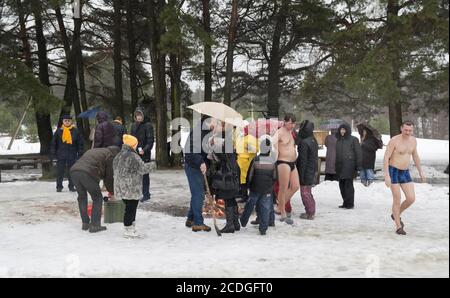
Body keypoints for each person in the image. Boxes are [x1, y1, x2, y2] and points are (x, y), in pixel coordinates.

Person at [383, 121, 425, 236]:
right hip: (394, 171)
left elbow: (415, 155)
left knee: (411, 198)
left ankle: (395, 214)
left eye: (410, 130)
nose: (408, 132)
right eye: (406, 130)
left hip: (405, 172)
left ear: (412, 130)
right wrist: (386, 175)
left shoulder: (413, 140)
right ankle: (398, 226)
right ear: (401, 129)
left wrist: (420, 171)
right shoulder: (394, 141)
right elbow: (386, 157)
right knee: (397, 199)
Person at [70, 145, 120, 233]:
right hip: (87, 173)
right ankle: (95, 225)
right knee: (97, 198)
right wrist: (112, 192)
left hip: (74, 171)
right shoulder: (110, 156)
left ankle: (85, 223)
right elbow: (108, 178)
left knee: (82, 197)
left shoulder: (96, 150)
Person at [113, 135, 152, 239]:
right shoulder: (133, 156)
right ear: (133, 145)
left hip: (121, 187)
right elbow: (143, 169)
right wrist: (153, 165)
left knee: (129, 207)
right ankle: (128, 228)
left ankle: (131, 226)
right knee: (131, 208)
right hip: (131, 187)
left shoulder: (118, 155)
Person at [183, 116, 215, 232]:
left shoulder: (205, 132)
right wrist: (200, 162)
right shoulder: (198, 132)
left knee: (197, 193)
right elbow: (190, 151)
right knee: (199, 194)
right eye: (214, 120)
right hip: (193, 167)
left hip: (197, 166)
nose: (215, 123)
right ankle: (198, 223)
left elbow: (202, 149)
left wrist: (209, 143)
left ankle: (191, 218)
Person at [208, 122, 241, 234]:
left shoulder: (225, 140)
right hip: (232, 169)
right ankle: (235, 223)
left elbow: (222, 157)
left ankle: (230, 225)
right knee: (231, 198)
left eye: (218, 125)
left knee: (228, 198)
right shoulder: (226, 139)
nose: (215, 127)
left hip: (228, 172)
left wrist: (213, 146)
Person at [240, 138, 277, 235]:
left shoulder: (255, 160)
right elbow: (275, 177)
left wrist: (248, 185)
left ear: (261, 148)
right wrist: (270, 186)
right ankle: (263, 228)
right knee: (265, 208)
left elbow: (250, 175)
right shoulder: (272, 161)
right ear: (269, 149)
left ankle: (243, 221)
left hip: (255, 188)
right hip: (267, 190)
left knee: (249, 205)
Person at [273, 113, 299, 224]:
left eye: (294, 123)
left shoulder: (291, 132)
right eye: (290, 123)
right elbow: (272, 143)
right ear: (284, 122)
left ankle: (279, 205)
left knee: (295, 186)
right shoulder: (279, 132)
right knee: (283, 188)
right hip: (283, 162)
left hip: (292, 162)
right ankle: (282, 212)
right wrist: (276, 152)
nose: (292, 125)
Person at [50, 115, 84, 192]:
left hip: (72, 154)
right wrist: (54, 155)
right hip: (60, 154)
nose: (67, 122)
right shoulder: (59, 131)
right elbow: (53, 144)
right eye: (65, 120)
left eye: (68, 121)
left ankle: (71, 186)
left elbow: (80, 143)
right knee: (60, 171)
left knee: (71, 171)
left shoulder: (75, 131)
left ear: (71, 122)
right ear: (63, 122)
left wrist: (80, 153)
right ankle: (59, 186)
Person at [335, 122, 362, 209]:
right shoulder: (338, 140)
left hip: (349, 166)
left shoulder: (354, 139)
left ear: (347, 130)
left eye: (344, 129)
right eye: (341, 129)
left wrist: (358, 165)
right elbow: (337, 154)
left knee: (348, 185)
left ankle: (350, 203)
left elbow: (358, 153)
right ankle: (345, 202)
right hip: (340, 166)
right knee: (341, 185)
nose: (342, 131)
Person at [130, 107, 154, 202]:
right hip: (135, 153)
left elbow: (150, 140)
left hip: (145, 153)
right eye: (137, 115)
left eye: (140, 115)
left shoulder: (148, 125)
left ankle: (146, 194)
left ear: (143, 116)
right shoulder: (133, 125)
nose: (139, 117)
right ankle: (137, 192)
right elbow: (132, 139)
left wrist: (145, 149)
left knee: (144, 175)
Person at [296, 120, 318, 220]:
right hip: (312, 169)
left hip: (306, 171)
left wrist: (301, 175)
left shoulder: (304, 143)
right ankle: (311, 210)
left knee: (304, 192)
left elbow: (303, 161)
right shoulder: (313, 139)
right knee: (308, 192)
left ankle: (310, 213)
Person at [235, 134, 259, 203]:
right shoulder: (240, 137)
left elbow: (257, 149)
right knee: (242, 181)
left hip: (248, 163)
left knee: (249, 180)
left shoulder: (253, 138)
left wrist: (251, 148)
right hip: (240, 162)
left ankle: (250, 197)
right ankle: (244, 196)